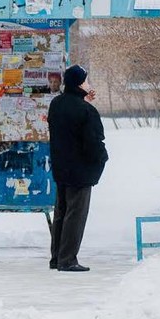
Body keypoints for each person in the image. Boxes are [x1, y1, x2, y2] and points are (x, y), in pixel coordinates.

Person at [47, 65, 109, 272]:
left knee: (61, 211)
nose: (89, 84)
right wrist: (102, 158)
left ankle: (56, 257)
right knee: (76, 214)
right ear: (80, 83)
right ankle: (68, 259)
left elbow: (67, 124)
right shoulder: (87, 111)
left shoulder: (56, 104)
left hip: (61, 167)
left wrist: (84, 101)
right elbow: (93, 141)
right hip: (80, 169)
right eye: (86, 80)